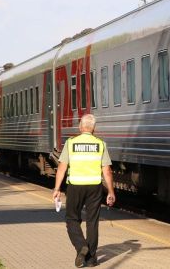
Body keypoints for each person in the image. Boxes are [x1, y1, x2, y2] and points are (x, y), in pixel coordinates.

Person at [52, 114, 115, 267]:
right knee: (92, 222)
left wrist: (57, 188)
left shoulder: (71, 143)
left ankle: (81, 247)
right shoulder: (100, 144)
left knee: (72, 219)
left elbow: (62, 167)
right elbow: (107, 171)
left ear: (80, 127)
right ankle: (92, 259)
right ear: (94, 129)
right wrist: (111, 192)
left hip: (75, 186)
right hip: (95, 187)